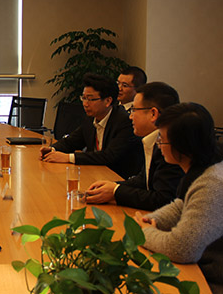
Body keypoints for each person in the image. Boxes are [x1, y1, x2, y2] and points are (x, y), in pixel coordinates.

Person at [134, 103, 223, 294]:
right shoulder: (202, 169)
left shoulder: (213, 184)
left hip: (212, 280)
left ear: (183, 146)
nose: (159, 145)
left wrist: (145, 233)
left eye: (162, 139)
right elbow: (181, 205)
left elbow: (182, 249)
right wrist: (151, 220)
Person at [86, 82, 184, 210]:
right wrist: (112, 186)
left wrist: (116, 191)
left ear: (153, 114)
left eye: (134, 110)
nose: (130, 117)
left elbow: (164, 200)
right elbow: (143, 180)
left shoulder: (169, 147)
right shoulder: (153, 140)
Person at [40, 73, 143, 179]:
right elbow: (71, 141)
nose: (85, 104)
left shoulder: (124, 121)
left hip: (118, 178)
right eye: (84, 98)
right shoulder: (91, 118)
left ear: (108, 101)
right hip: (95, 174)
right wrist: (52, 149)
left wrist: (68, 157)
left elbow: (109, 156)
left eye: (90, 99)